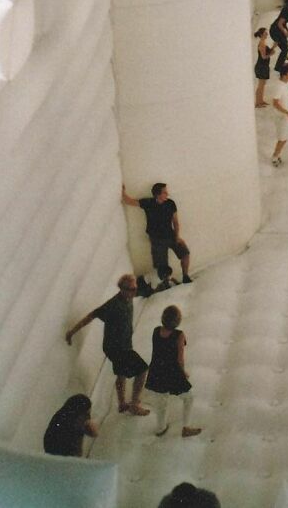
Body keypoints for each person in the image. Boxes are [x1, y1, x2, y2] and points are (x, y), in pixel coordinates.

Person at [65, 275, 150, 416]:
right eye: (131, 289)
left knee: (121, 373)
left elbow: (143, 292)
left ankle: (122, 404)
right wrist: (72, 332)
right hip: (116, 347)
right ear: (122, 289)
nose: (135, 291)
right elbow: (92, 315)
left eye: (135, 288)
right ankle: (135, 404)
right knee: (142, 370)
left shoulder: (129, 297)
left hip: (123, 344)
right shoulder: (113, 305)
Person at [146, 305, 201, 438]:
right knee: (188, 398)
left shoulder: (156, 331)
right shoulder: (179, 335)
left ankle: (161, 428)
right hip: (172, 372)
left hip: (157, 371)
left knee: (162, 401)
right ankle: (186, 427)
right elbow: (180, 359)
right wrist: (183, 373)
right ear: (177, 321)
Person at [122, 184, 192, 285]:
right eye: (164, 192)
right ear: (157, 194)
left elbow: (175, 222)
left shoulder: (170, 203)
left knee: (185, 254)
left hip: (170, 235)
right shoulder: (148, 203)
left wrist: (177, 237)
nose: (167, 194)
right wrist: (122, 191)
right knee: (162, 266)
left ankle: (186, 276)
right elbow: (129, 201)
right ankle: (165, 284)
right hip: (157, 239)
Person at [271, 64, 288, 166]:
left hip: (286, 114)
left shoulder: (286, 83)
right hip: (281, 116)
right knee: (282, 138)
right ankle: (275, 156)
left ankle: (277, 154)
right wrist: (287, 113)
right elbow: (275, 103)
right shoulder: (279, 87)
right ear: (284, 75)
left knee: (284, 137)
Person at [270, 0, 288, 73]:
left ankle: (280, 65)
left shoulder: (287, 10)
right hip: (275, 31)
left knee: (285, 49)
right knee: (285, 49)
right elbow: (279, 24)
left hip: (277, 30)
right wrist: (285, 32)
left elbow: (283, 24)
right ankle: (278, 67)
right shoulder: (286, 11)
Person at [253, 28, 275, 108]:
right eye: (266, 33)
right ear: (262, 34)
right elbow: (264, 57)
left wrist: (273, 47)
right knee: (260, 85)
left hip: (263, 66)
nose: (267, 34)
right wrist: (271, 54)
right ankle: (257, 103)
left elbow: (267, 52)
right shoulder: (262, 43)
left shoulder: (263, 43)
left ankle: (261, 101)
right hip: (261, 66)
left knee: (262, 85)